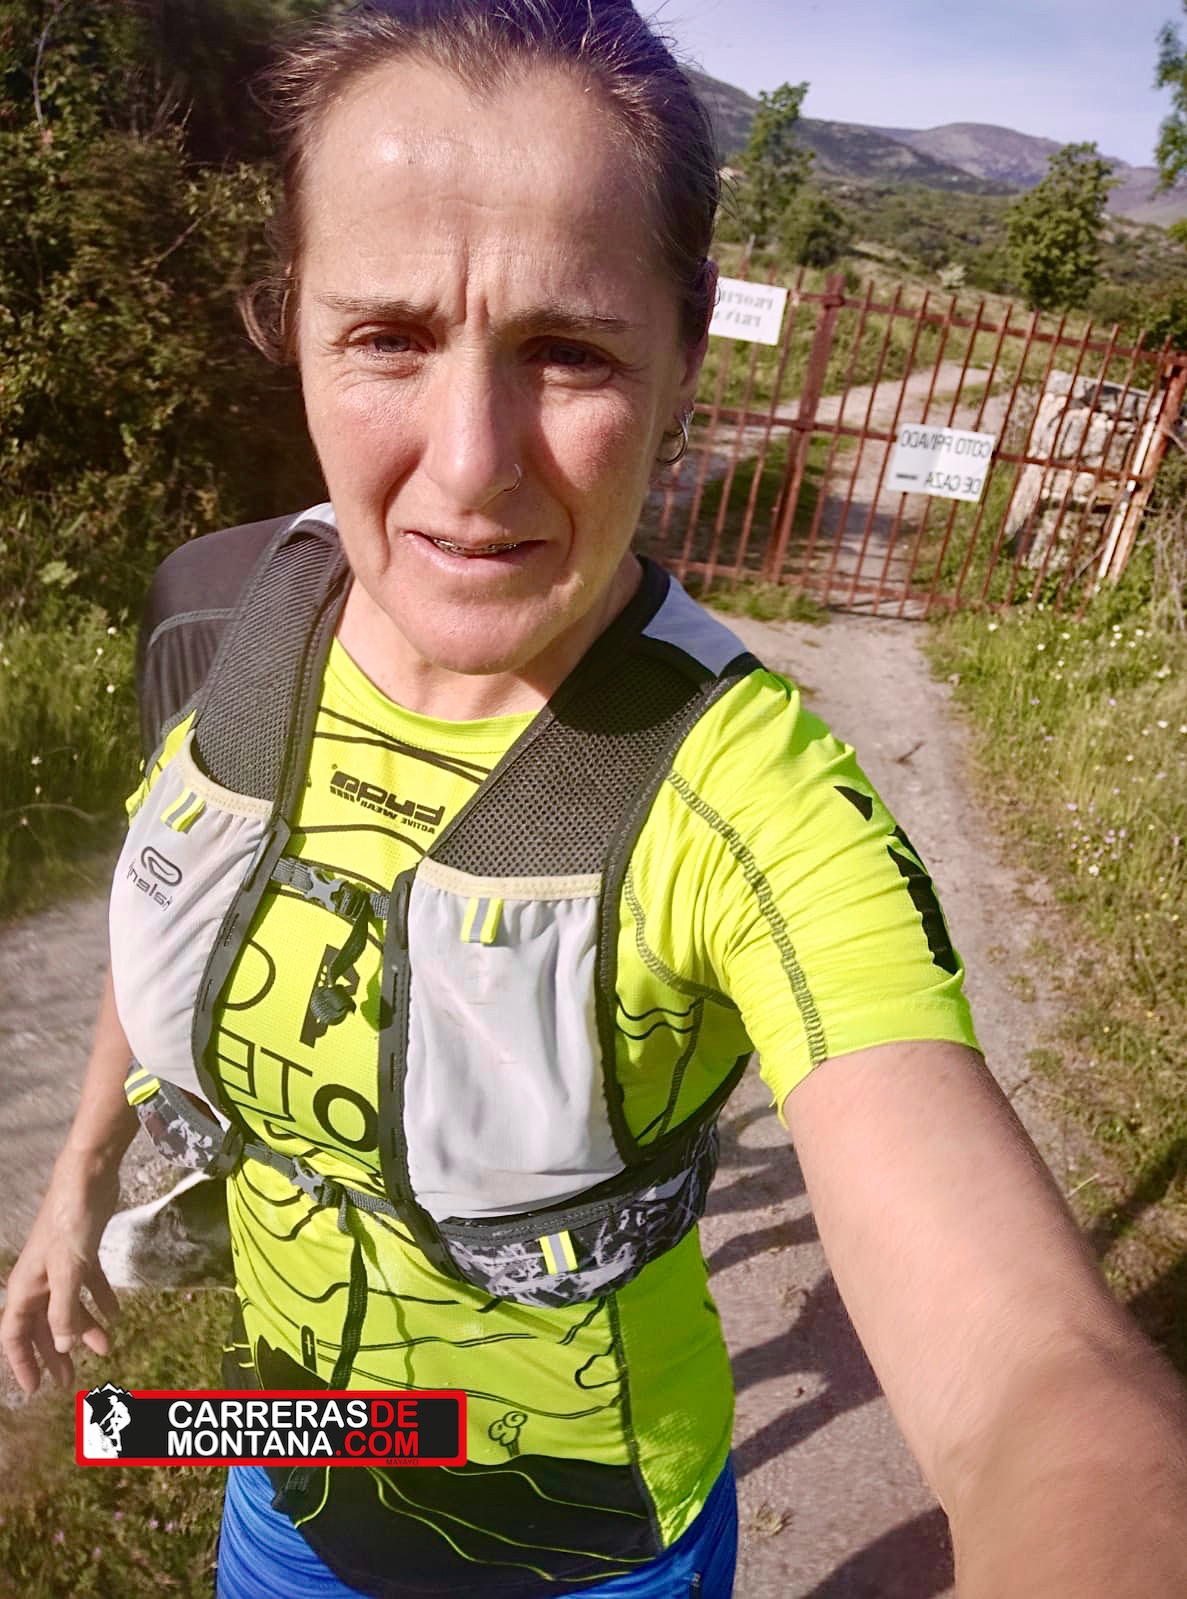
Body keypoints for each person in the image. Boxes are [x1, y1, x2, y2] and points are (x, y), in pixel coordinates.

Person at [3, 3, 1187, 1596]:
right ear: (291, 320)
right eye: (388, 335)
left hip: (584, 1547)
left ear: (686, 357)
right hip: (282, 1472)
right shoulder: (246, 611)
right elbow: (180, 887)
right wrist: (73, 1188)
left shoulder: (750, 800)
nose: (470, 464)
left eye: (567, 351)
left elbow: (1041, 1383)